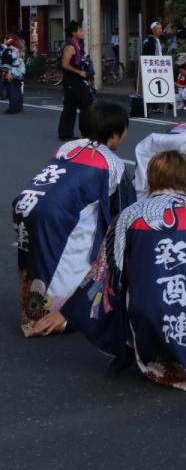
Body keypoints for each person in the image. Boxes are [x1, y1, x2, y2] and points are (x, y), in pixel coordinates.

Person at [31, 150, 186, 391]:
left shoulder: (128, 216)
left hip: (148, 314)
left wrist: (68, 312)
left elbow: (103, 271)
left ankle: (157, 355)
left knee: (121, 285)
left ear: (151, 178)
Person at [15, 102, 135, 336]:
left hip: (29, 205)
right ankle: (62, 316)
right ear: (115, 133)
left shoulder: (68, 147)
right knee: (76, 255)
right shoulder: (112, 164)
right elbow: (124, 214)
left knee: (42, 259)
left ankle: (34, 311)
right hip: (60, 218)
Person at [58, 20, 94, 140]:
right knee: (86, 103)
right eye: (80, 30)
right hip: (72, 80)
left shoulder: (79, 45)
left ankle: (65, 134)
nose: (82, 32)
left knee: (70, 106)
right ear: (74, 33)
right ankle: (86, 133)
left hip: (75, 80)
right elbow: (64, 64)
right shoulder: (70, 47)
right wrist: (79, 72)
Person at [2, 35, 25, 113]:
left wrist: (7, 73)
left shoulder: (8, 50)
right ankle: (18, 107)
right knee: (17, 90)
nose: (4, 41)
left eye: (5, 40)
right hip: (18, 71)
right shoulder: (17, 50)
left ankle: (13, 109)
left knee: (11, 91)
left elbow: (7, 62)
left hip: (12, 72)